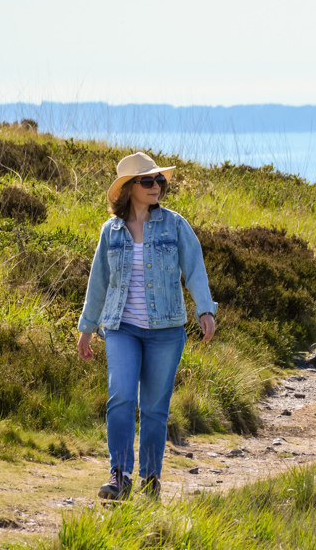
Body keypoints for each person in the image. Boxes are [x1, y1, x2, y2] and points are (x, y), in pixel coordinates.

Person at [77, 152, 217, 500]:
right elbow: (99, 281)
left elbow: (194, 268)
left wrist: (205, 310)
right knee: (121, 397)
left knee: (154, 408)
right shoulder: (111, 231)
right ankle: (120, 474)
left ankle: (150, 479)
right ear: (129, 188)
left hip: (166, 331)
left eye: (159, 181)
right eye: (148, 181)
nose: (157, 186)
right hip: (121, 327)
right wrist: (86, 327)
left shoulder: (175, 225)